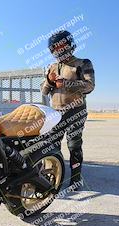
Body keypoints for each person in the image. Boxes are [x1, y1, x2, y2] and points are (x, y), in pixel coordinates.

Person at [41, 30, 95, 190]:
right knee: (51, 146)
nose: (59, 50)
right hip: (56, 113)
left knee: (74, 145)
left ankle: (75, 180)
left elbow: (90, 86)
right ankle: (52, 179)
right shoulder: (52, 67)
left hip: (76, 111)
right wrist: (49, 82)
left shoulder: (83, 63)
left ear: (70, 44)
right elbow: (44, 92)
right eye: (56, 48)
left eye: (62, 46)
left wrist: (66, 83)